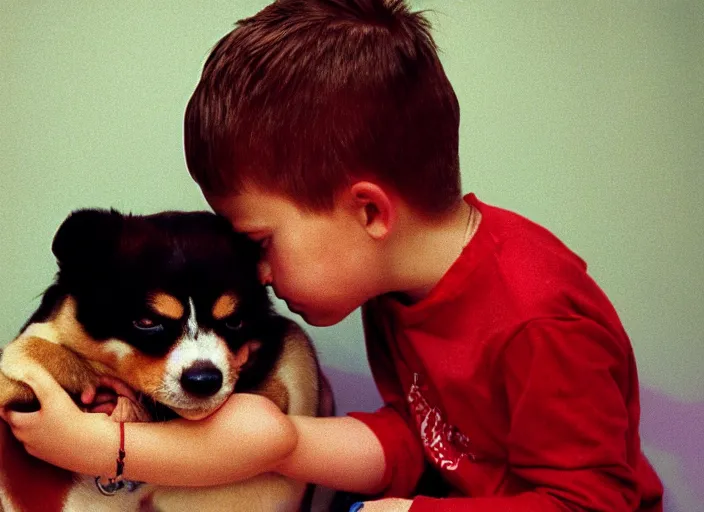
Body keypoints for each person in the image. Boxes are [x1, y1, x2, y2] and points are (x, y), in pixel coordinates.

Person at [1, 0, 664, 510]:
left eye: (259, 243)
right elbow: (421, 438)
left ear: (369, 211)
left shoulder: (536, 322)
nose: (257, 274)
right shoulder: (400, 291)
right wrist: (278, 440)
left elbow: (595, 503)